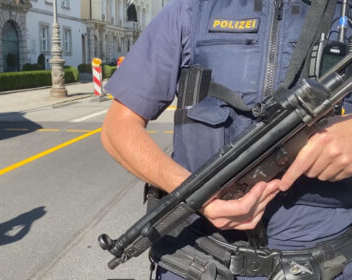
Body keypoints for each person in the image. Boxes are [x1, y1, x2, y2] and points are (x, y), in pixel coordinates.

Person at [101, 0, 352, 279]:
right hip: (200, 261)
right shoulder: (191, 11)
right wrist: (202, 198)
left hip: (329, 264)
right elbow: (118, 129)